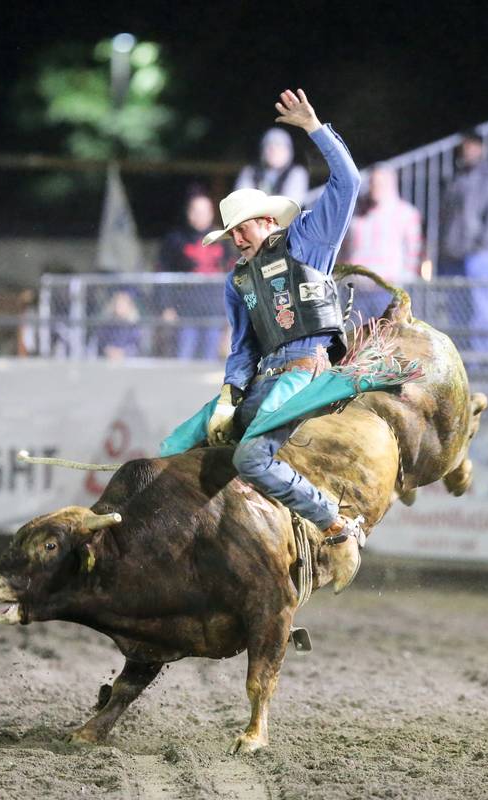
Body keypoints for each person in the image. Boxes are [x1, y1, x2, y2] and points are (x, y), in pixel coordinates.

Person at [204, 88, 364, 592]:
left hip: (305, 369)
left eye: (242, 228)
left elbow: (348, 181)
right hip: (263, 381)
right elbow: (243, 348)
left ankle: (334, 523)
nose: (237, 238)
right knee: (185, 450)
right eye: (230, 232)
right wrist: (229, 396)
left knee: (251, 459)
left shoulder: (307, 243)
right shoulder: (238, 281)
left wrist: (315, 129)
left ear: (267, 220)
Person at [438, 132, 488, 352]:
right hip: (454, 257)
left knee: (483, 309)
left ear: (480, 148)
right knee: (457, 311)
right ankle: (461, 358)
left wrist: (480, 246)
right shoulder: (455, 179)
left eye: (471, 146)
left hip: (480, 257)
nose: (466, 151)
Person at [156, 191, 235, 360]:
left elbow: (233, 274)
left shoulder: (223, 240)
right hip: (185, 311)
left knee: (210, 359)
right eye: (196, 211)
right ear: (189, 213)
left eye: (205, 212)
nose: (201, 216)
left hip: (214, 311)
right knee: (183, 357)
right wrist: (166, 306)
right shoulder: (175, 240)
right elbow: (163, 273)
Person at [340, 162, 423, 319]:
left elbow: (414, 251)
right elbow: (343, 247)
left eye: (381, 183)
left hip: (388, 290)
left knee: (386, 338)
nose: (376, 187)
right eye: (373, 182)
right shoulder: (355, 214)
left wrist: (403, 280)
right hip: (358, 289)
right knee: (355, 337)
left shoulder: (406, 213)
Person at [234, 127, 310, 204]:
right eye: (269, 146)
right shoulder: (250, 172)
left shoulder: (297, 173)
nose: (274, 151)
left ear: (288, 150)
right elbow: (241, 201)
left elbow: (290, 205)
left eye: (279, 146)